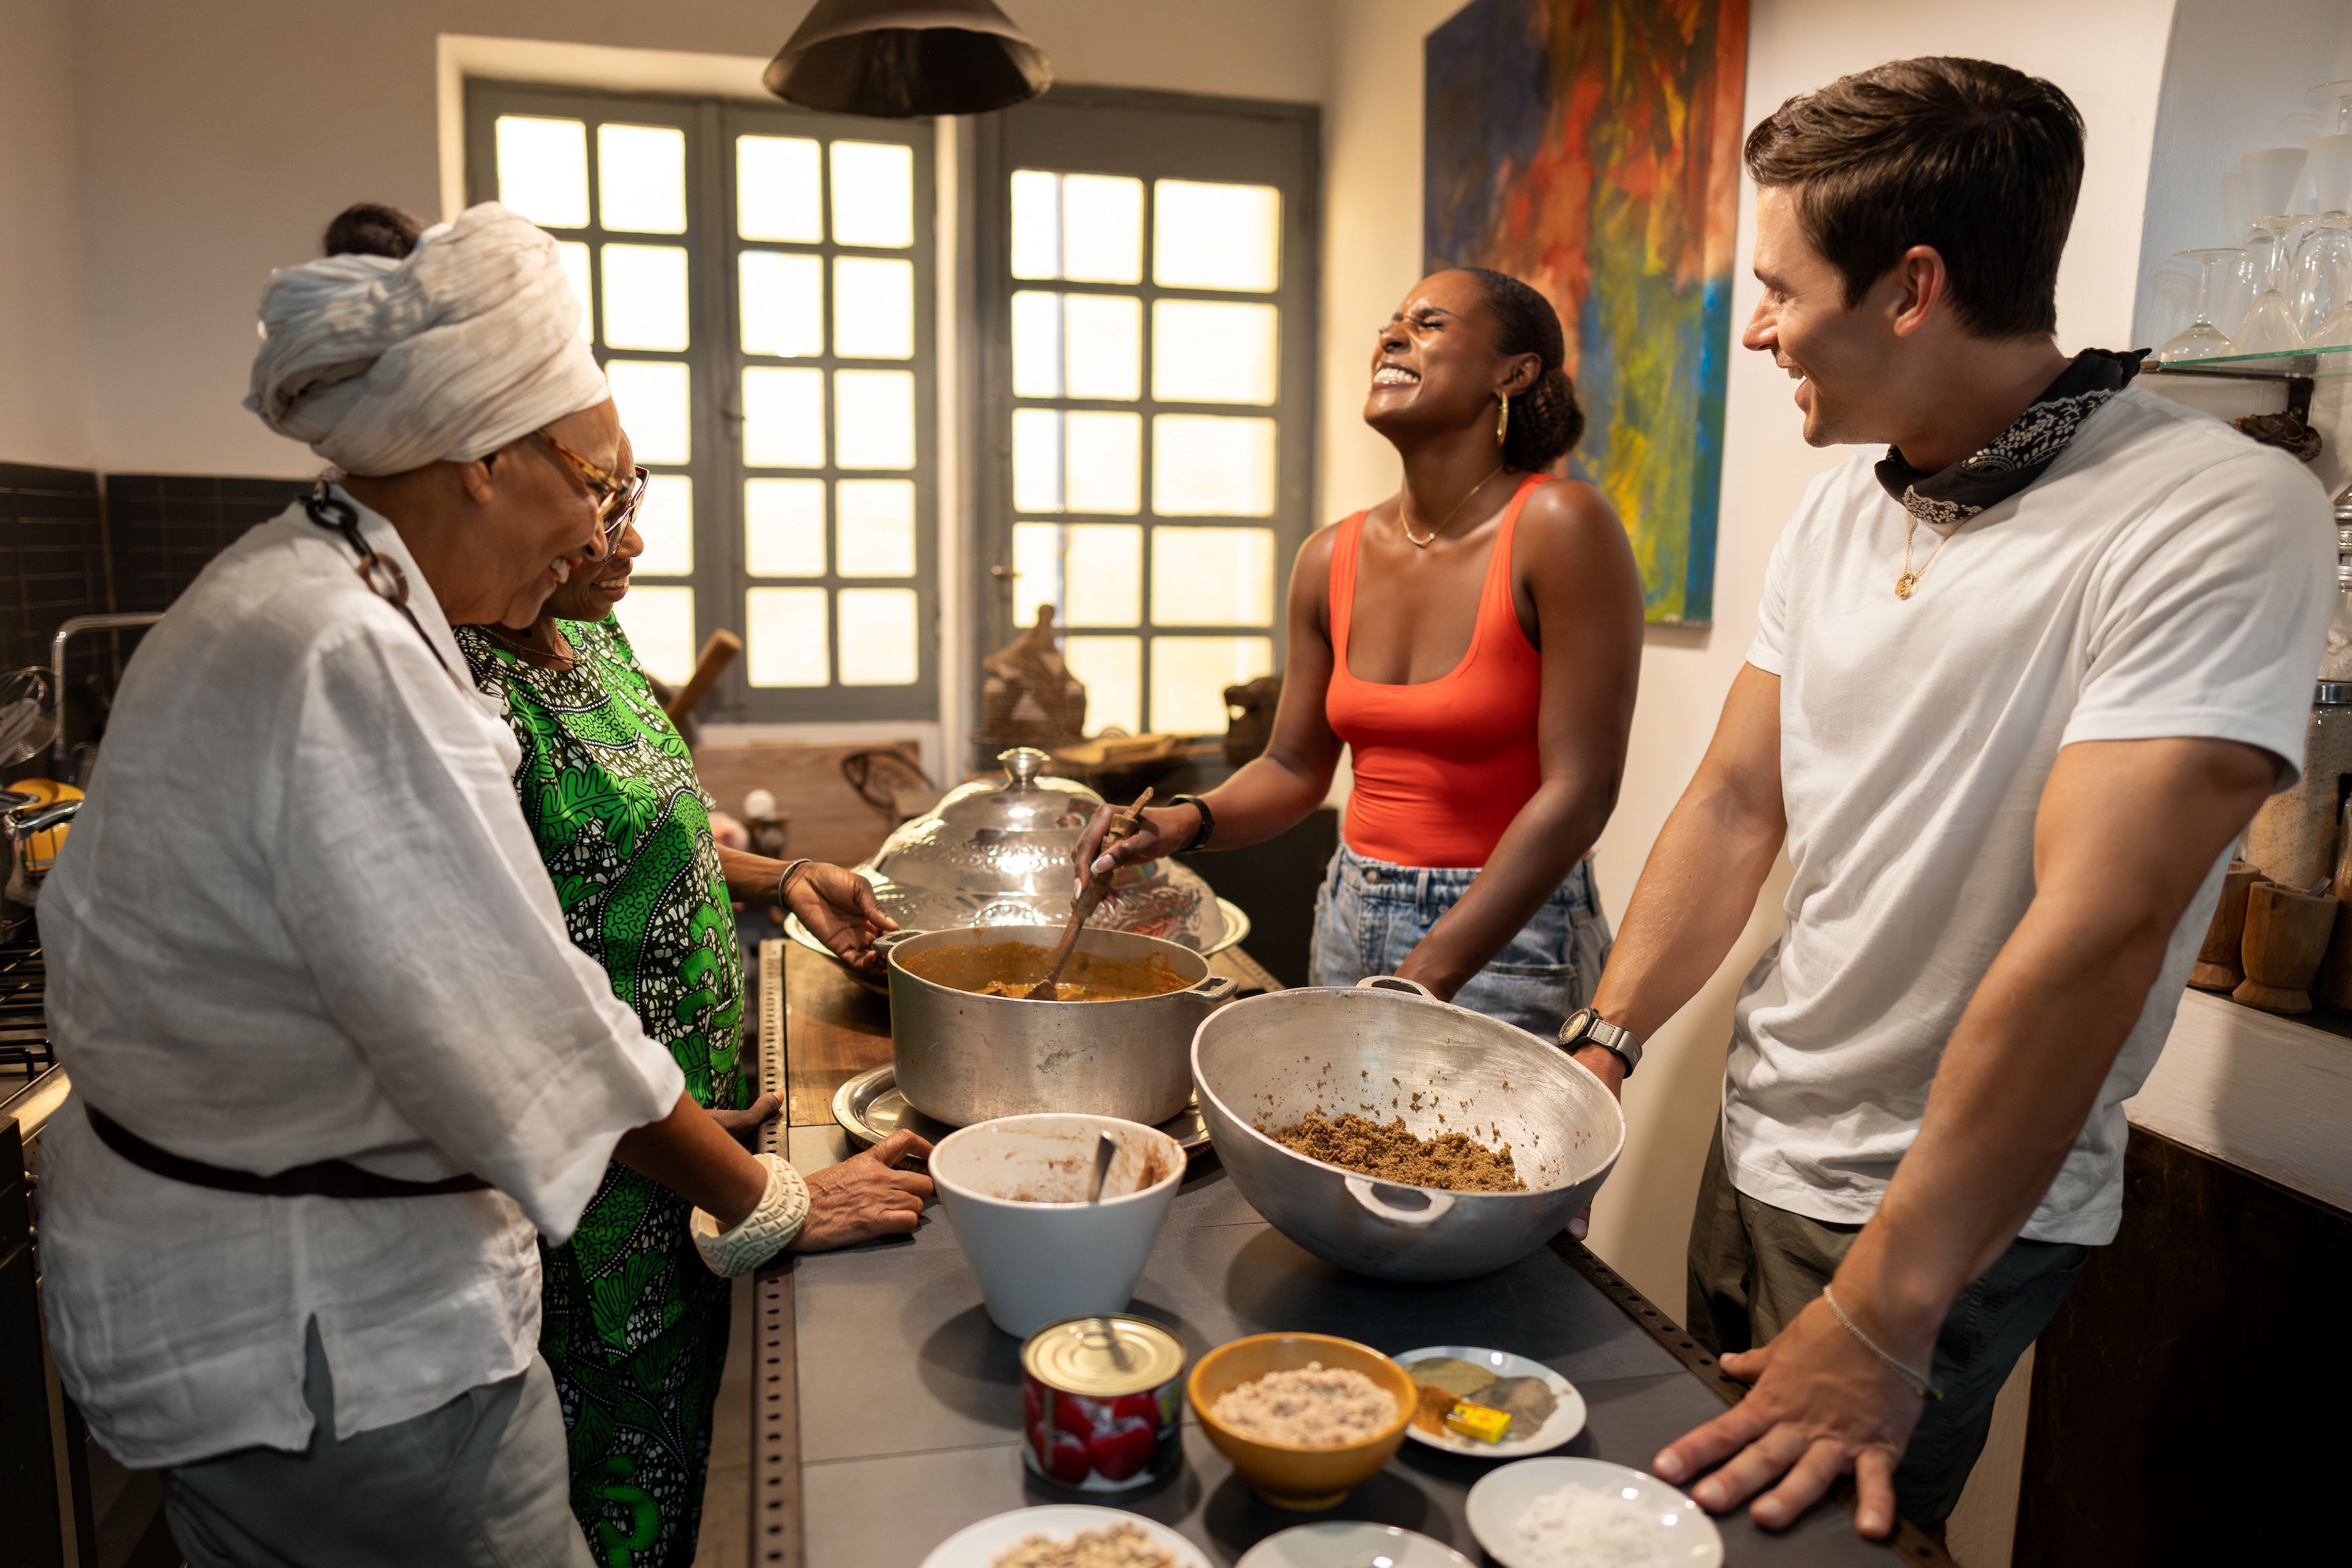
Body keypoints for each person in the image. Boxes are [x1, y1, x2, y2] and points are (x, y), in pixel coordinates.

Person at [37, 203, 929, 1568]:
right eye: (593, 481)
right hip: (340, 1344)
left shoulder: (325, 595)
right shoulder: (346, 649)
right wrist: (772, 1198)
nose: (593, 531)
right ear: (482, 460)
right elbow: (527, 1018)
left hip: (263, 1327)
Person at [1554, 58, 2332, 1539]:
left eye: (1780, 284)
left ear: (1911, 288)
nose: (1761, 323)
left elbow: (2096, 936)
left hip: (1937, 1215)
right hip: (1760, 1130)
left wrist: (1884, 1310)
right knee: (1684, 1521)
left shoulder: (2217, 510)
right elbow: (1734, 802)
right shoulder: (1847, 497)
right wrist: (1602, 1046)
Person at [453, 428, 898, 1564]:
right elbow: (528, 1011)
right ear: (494, 495)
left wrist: (785, 876)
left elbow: (657, 833)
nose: (630, 536)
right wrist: (772, 1197)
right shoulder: (452, 687)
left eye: (627, 495)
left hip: (693, 1143)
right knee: (607, 1481)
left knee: (681, 1453)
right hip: (591, 1184)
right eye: (599, 508)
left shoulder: (593, 640)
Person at [1079, 268, 1642, 1032]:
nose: (1393, 335)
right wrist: (1185, 820)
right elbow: (1293, 768)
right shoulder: (1328, 556)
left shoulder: (1560, 524)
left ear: (1514, 372)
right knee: (1339, 1157)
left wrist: (1427, 972)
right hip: (1349, 912)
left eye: (1430, 323)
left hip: (1508, 938)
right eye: (1392, 321)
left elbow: (1581, 791)